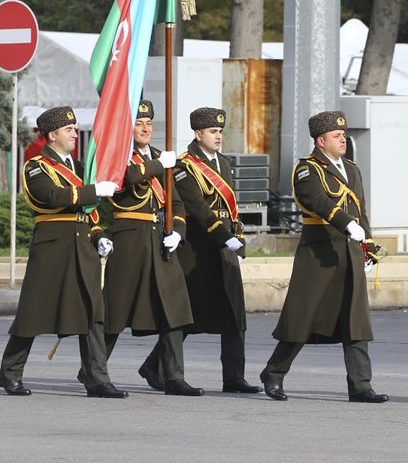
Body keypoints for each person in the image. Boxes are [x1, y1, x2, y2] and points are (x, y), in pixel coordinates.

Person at [0, 106, 127, 398]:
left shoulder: (78, 168)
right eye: (68, 129)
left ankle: (97, 379)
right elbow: (53, 196)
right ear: (52, 135)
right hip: (53, 246)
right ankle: (9, 373)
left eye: (74, 128)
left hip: (82, 246)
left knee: (93, 310)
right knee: (34, 312)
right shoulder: (36, 166)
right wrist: (93, 191)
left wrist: (98, 236)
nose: (73, 133)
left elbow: (86, 213)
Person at [260, 110, 388, 403]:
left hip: (349, 249)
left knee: (355, 319)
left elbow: (360, 212)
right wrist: (347, 224)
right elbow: (316, 201)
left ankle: (360, 385)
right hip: (318, 250)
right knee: (303, 316)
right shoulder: (307, 169)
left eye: (343, 135)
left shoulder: (351, 169)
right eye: (336, 136)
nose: (343, 139)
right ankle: (274, 373)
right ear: (321, 141)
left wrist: (368, 247)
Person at [141, 107, 261, 394]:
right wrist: (224, 237)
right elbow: (198, 207)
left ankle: (234, 376)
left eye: (220, 131)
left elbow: (229, 208)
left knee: (234, 312)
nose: (218, 136)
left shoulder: (224, 163)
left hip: (223, 246)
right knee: (187, 313)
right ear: (198, 134)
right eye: (212, 132)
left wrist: (236, 236)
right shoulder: (184, 166)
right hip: (196, 248)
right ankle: (156, 366)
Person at [89, 100, 202, 396]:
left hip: (160, 240)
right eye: (139, 123)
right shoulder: (119, 154)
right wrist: (158, 165)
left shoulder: (157, 156)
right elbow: (123, 179)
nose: (145, 128)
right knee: (116, 310)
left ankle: (172, 375)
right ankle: (93, 370)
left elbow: (175, 203)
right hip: (131, 239)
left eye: (149, 123)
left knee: (174, 307)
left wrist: (178, 230)